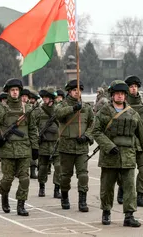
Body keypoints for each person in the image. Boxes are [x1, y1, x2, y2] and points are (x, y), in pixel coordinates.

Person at [93, 80, 143, 227]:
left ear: (125, 96)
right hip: (109, 156)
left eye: (122, 94)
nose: (120, 96)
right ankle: (106, 212)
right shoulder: (104, 112)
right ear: (112, 96)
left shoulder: (133, 114)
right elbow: (95, 131)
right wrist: (108, 145)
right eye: (117, 94)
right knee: (107, 187)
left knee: (129, 188)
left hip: (128, 156)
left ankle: (129, 215)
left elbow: (142, 135)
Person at [0, 78, 39, 216]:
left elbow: (33, 129)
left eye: (17, 90)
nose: (15, 92)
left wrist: (35, 147)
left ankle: (21, 205)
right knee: (7, 179)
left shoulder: (27, 109)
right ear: (8, 92)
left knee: (25, 179)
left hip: (24, 149)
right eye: (12, 90)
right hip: (7, 150)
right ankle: (4, 196)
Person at [116, 75, 143, 207]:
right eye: (131, 86)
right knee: (124, 172)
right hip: (126, 144)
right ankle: (122, 190)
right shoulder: (121, 106)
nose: (133, 89)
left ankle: (139, 195)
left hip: (141, 144)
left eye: (135, 86)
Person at [55, 79, 94, 212]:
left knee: (83, 175)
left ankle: (82, 201)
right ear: (69, 91)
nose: (77, 92)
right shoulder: (62, 105)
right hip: (66, 146)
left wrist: (87, 136)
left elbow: (92, 124)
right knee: (65, 175)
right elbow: (57, 114)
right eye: (74, 90)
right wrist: (73, 108)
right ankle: (64, 196)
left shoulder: (87, 107)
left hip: (82, 147)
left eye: (79, 90)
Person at [34, 88, 61, 199]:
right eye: (43, 98)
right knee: (42, 168)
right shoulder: (38, 111)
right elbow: (33, 126)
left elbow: (63, 125)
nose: (44, 99)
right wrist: (38, 136)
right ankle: (42, 187)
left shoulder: (58, 111)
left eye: (46, 98)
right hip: (43, 144)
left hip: (56, 143)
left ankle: (57, 189)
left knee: (59, 168)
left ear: (51, 99)